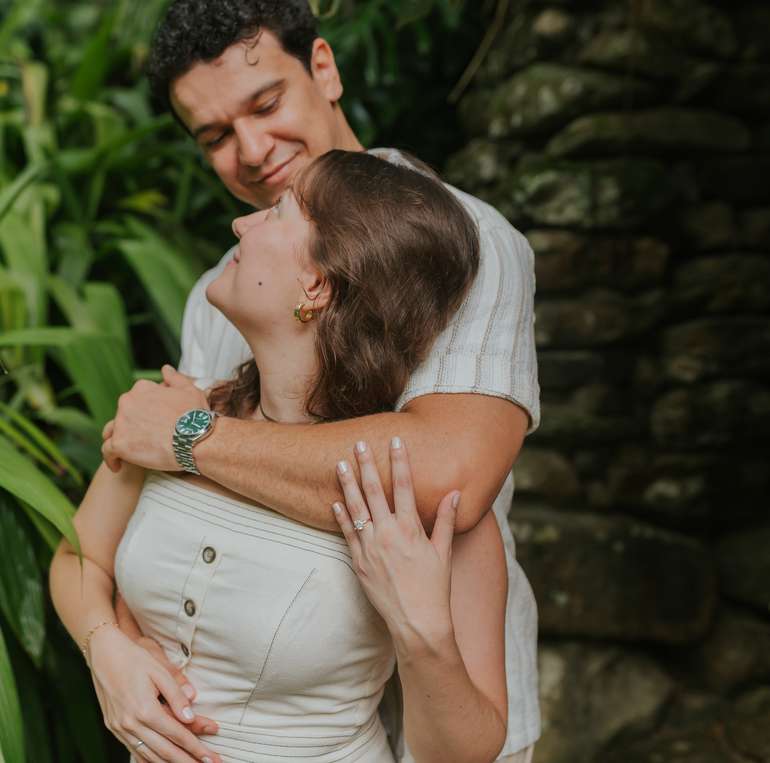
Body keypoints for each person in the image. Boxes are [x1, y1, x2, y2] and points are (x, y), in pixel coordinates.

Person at [99, 0, 540, 763]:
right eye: (215, 136)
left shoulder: (470, 242)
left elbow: (449, 474)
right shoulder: (220, 292)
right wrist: (113, 646)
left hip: (452, 695)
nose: (251, 150)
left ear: (325, 69)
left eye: (266, 103)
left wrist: (191, 437)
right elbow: (169, 514)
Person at [50, 150, 509, 763]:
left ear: (317, 285)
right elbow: (77, 557)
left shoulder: (417, 498)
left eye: (276, 212)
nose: (240, 223)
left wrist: (423, 632)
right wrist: (104, 646)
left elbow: (463, 755)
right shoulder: (176, 414)